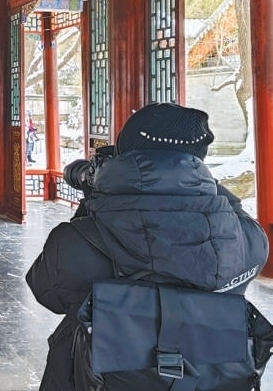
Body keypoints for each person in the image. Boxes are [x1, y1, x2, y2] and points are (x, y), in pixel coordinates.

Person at [26, 102, 269, 390]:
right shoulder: (247, 239)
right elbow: (237, 215)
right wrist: (201, 185)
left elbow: (47, 292)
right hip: (209, 380)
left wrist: (94, 200)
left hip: (102, 379)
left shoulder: (78, 239)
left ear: (126, 151)